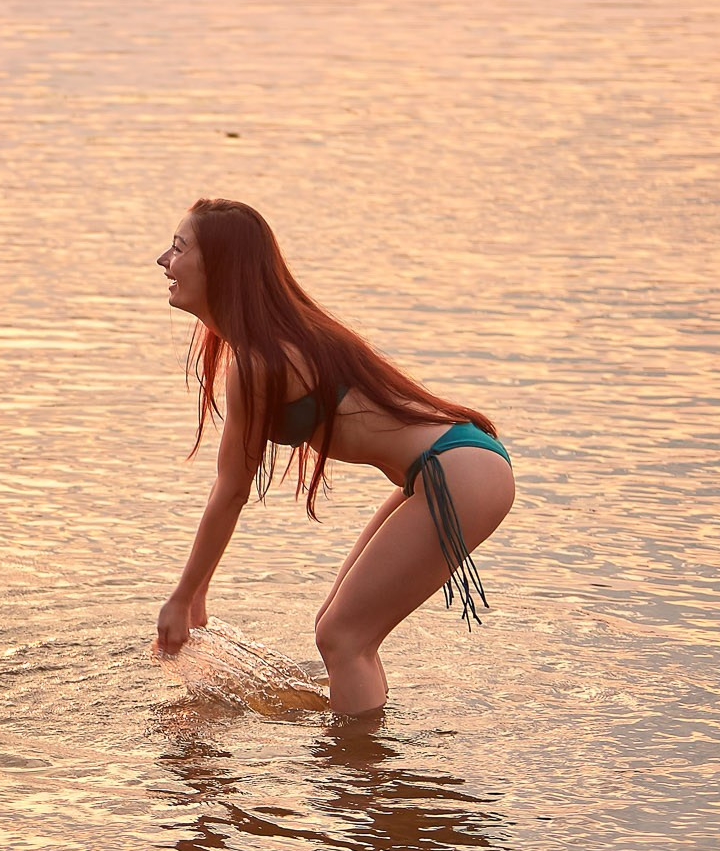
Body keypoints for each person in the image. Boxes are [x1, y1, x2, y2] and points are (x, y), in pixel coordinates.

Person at [152, 198, 514, 713]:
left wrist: (183, 596)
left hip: (459, 469)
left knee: (344, 639)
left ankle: (358, 784)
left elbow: (231, 490)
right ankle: (364, 771)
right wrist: (197, 592)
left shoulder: (261, 361)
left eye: (179, 248)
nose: (163, 260)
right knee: (337, 631)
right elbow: (229, 487)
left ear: (220, 268)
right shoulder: (267, 345)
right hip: (449, 466)